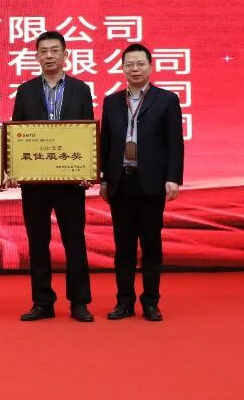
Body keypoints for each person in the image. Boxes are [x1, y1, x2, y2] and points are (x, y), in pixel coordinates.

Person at [8, 31, 96, 322]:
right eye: (43, 51)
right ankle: (42, 302)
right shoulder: (25, 91)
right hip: (35, 181)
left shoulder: (81, 90)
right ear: (36, 56)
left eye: (54, 50)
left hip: (70, 180)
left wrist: (88, 169)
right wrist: (14, 168)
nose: (49, 56)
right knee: (38, 242)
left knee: (74, 241)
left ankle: (79, 302)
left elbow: (87, 132)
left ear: (65, 54)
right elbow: (17, 132)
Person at [99, 43, 184, 322]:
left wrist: (173, 178)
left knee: (151, 245)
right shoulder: (112, 101)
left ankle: (150, 302)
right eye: (129, 65)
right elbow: (106, 143)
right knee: (123, 247)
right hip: (121, 182)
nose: (135, 69)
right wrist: (104, 178)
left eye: (140, 64)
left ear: (150, 66)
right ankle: (124, 302)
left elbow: (174, 142)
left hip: (151, 182)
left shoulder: (167, 100)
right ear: (122, 68)